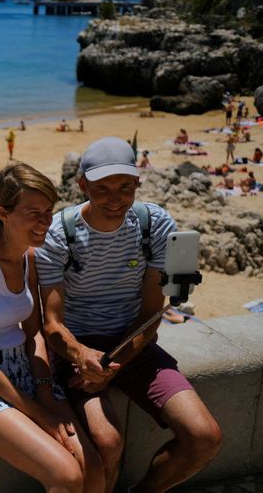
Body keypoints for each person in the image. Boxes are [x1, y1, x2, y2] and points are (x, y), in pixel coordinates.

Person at [36, 137, 222, 492]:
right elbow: (53, 324)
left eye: (124, 186)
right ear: (82, 186)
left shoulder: (154, 224)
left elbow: (151, 312)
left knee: (205, 437)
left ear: (138, 183)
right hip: (76, 350)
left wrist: (110, 366)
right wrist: (84, 358)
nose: (115, 198)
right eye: (102, 188)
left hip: (132, 344)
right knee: (107, 444)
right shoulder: (60, 234)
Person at [0, 161, 103, 492]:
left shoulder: (28, 255)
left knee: (94, 471)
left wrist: (45, 391)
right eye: (34, 213)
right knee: (66, 475)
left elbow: (33, 334)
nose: (46, 222)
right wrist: (40, 414)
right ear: (3, 211)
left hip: (24, 368)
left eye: (49, 211)